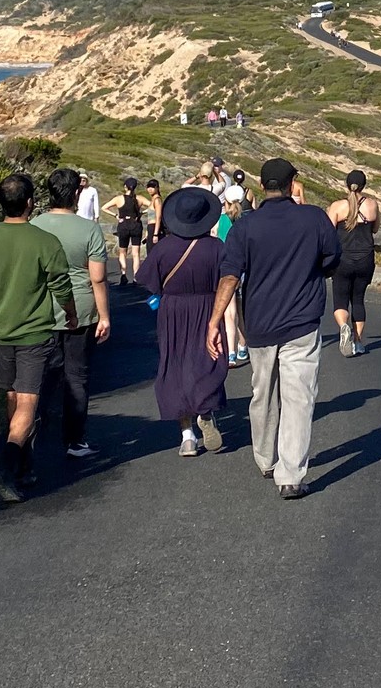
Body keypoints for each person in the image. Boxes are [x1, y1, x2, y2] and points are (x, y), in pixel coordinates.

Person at [210, 158, 340, 499]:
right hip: (302, 321)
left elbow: (230, 276)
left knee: (263, 393)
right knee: (299, 397)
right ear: (292, 182)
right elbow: (331, 261)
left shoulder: (245, 227)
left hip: (260, 324)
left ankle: (266, 458)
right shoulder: (314, 218)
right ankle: (291, 475)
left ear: (262, 185)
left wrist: (214, 321)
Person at [0, 173, 77, 501]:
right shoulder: (44, 242)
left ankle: (24, 466)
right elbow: (61, 286)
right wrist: (70, 313)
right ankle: (8, 464)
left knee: (11, 398)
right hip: (34, 334)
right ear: (30, 203)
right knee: (28, 402)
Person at [34, 167, 112, 458]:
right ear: (76, 193)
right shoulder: (88, 229)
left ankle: (31, 432)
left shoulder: (35, 225)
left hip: (43, 310)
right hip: (81, 310)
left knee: (42, 375)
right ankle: (75, 441)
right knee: (77, 375)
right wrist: (104, 316)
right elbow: (98, 278)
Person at [146, 186, 228, 455]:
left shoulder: (163, 248)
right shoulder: (216, 247)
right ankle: (205, 408)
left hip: (173, 311)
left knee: (177, 364)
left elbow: (146, 281)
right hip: (208, 307)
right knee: (207, 360)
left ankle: (187, 436)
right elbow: (228, 280)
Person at [328, 169, 379, 356]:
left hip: (343, 259)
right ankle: (358, 341)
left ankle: (343, 326)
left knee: (340, 299)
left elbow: (328, 232)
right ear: (364, 185)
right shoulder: (372, 205)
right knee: (358, 299)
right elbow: (376, 228)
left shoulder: (337, 207)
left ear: (346, 184)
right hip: (365, 258)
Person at [219, 168, 252, 367]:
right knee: (243, 309)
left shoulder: (222, 220)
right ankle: (243, 346)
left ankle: (230, 352)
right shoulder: (249, 219)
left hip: (228, 269)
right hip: (246, 269)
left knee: (229, 312)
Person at [112, 176, 149, 283]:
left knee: (122, 252)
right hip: (136, 225)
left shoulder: (119, 198)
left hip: (123, 225)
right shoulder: (140, 198)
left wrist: (116, 215)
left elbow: (104, 207)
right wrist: (142, 213)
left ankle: (123, 274)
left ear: (125, 186)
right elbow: (153, 205)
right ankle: (136, 275)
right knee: (135, 253)